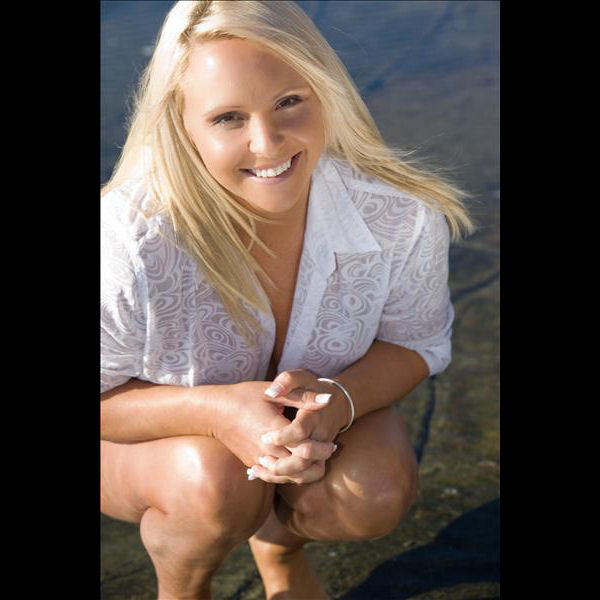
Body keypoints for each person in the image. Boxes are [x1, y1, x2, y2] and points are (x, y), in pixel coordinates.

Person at [100, 1, 474, 598]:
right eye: (228, 117)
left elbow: (415, 344)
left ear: (325, 91)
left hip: (307, 434)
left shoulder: (400, 216)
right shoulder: (126, 241)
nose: (267, 142)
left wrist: (337, 402)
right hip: (147, 451)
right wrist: (218, 413)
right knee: (214, 482)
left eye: (289, 102)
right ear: (181, 123)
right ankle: (183, 586)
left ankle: (279, 546)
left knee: (373, 490)